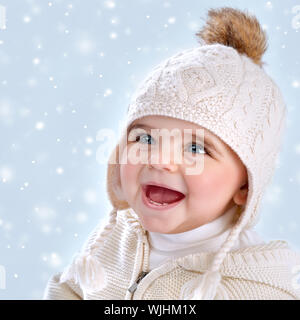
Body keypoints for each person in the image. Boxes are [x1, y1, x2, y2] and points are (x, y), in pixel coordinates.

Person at [43, 7, 300, 300]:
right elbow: (69, 289)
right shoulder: (111, 242)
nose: (159, 160)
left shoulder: (256, 287)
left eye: (196, 148)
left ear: (245, 185)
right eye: (145, 138)